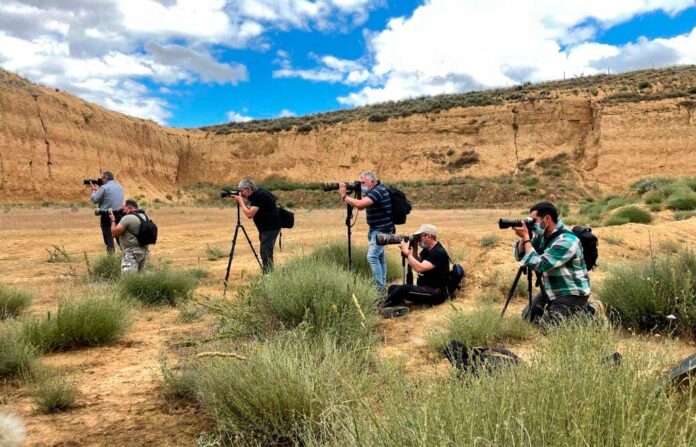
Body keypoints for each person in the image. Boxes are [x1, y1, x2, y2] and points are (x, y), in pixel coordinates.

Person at [512, 201, 591, 325]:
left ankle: (589, 311)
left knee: (549, 327)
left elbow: (540, 265)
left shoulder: (567, 240)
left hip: (571, 292)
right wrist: (524, 238)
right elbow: (521, 255)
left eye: (534, 220)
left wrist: (527, 238)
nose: (532, 224)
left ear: (547, 219)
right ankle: (568, 311)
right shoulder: (543, 236)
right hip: (552, 289)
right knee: (528, 317)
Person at [339, 171, 394, 290]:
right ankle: (382, 286)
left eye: (364, 183)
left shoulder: (378, 191)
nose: (362, 185)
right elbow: (361, 207)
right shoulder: (373, 190)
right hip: (376, 229)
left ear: (372, 182)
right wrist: (359, 191)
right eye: (361, 183)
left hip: (382, 229)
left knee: (372, 256)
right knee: (379, 257)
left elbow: (360, 204)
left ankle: (379, 289)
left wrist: (344, 196)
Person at [381, 224, 450, 313]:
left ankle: (381, 307)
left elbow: (420, 268)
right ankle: (397, 307)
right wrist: (415, 250)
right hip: (426, 287)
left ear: (428, 237)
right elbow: (419, 261)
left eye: (420, 237)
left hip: (436, 293)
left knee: (403, 289)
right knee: (392, 288)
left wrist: (407, 253)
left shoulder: (438, 252)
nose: (419, 239)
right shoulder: (429, 249)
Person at [234, 179, 281, 273]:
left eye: (242, 191)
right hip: (266, 228)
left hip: (270, 228)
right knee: (265, 253)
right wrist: (242, 201)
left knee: (266, 254)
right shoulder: (258, 194)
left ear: (248, 189)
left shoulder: (260, 195)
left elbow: (249, 214)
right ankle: (268, 274)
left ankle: (268, 277)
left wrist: (240, 201)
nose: (241, 193)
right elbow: (251, 209)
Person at [109, 199, 149, 274]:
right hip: (143, 251)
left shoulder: (127, 218)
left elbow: (114, 233)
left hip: (131, 252)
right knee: (140, 277)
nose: (121, 211)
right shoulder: (145, 216)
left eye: (123, 209)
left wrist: (113, 220)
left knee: (128, 278)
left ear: (129, 208)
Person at [89, 171, 124, 254]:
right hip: (119, 214)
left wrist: (94, 190)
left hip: (107, 214)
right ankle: (125, 254)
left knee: (108, 237)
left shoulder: (104, 188)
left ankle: (111, 256)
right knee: (118, 236)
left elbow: (95, 200)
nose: (101, 180)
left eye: (102, 178)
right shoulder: (119, 187)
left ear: (105, 178)